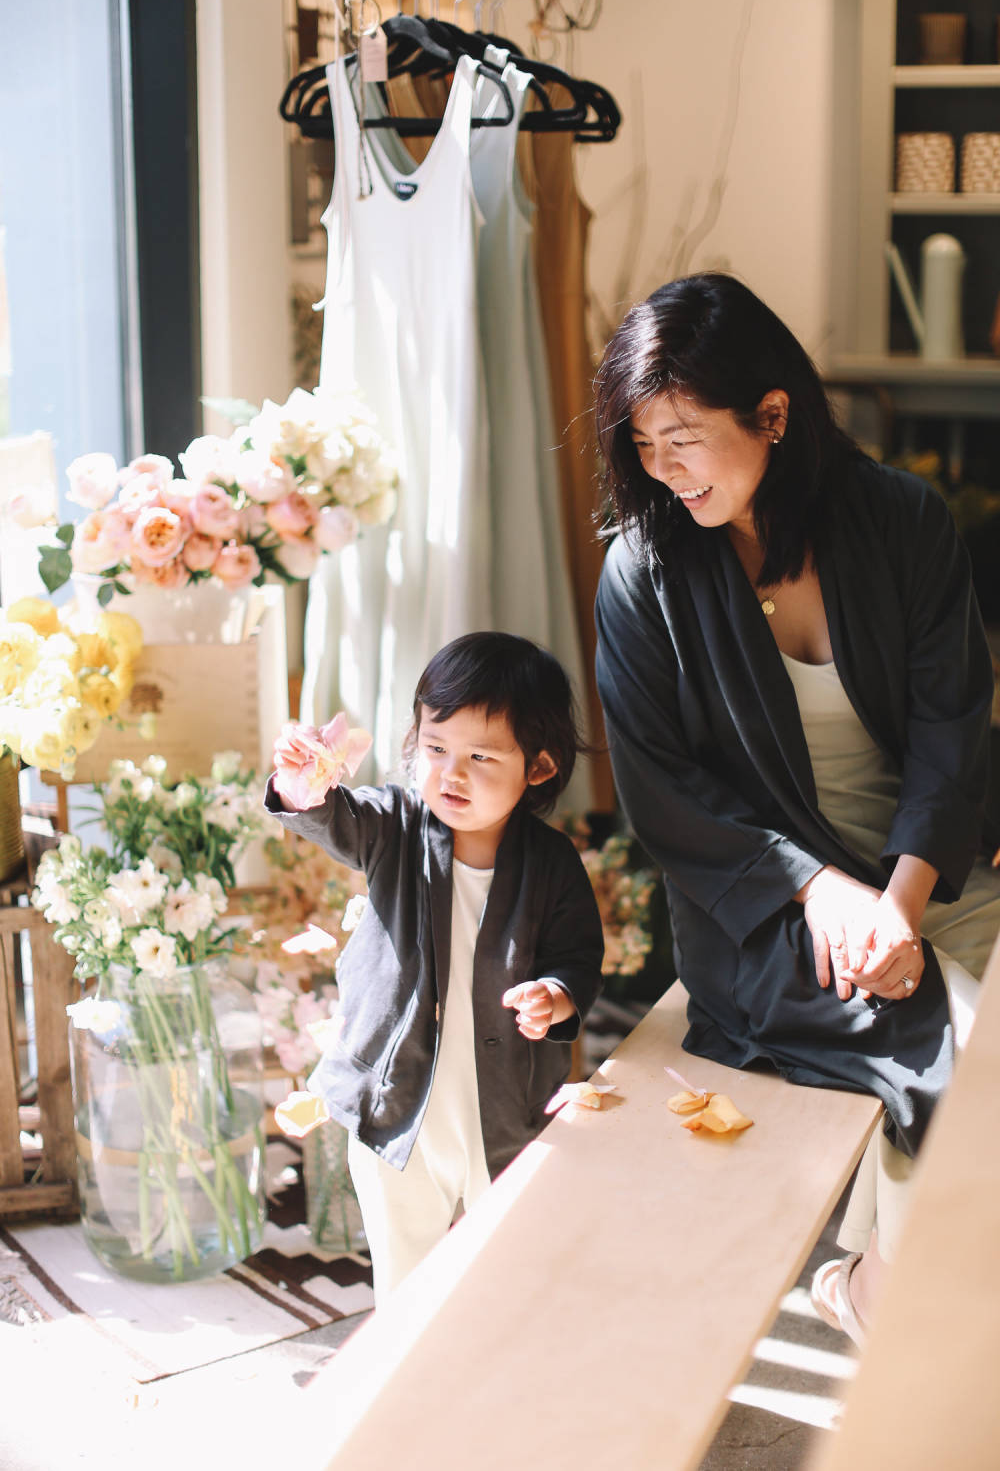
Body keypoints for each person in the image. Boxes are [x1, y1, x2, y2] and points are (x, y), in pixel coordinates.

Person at [592, 272, 999, 1345]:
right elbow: (663, 795)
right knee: (962, 1048)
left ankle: (878, 1288)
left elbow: (954, 732)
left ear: (771, 416)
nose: (661, 468)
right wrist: (823, 892)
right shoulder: (644, 573)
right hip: (767, 914)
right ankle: (909, 1326)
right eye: (643, 444)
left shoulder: (900, 522)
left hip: (932, 873)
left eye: (682, 437)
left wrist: (899, 902)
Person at [266, 631, 604, 1302]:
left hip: (502, 1102)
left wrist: (555, 996)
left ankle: (497, 1364)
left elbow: (578, 956)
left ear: (536, 768)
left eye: (481, 757)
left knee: (508, 1263)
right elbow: (335, 818)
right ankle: (407, 1378)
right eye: (436, 747)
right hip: (397, 1102)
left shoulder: (552, 862)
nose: (451, 773)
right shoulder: (392, 825)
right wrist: (300, 787)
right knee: (405, 1270)